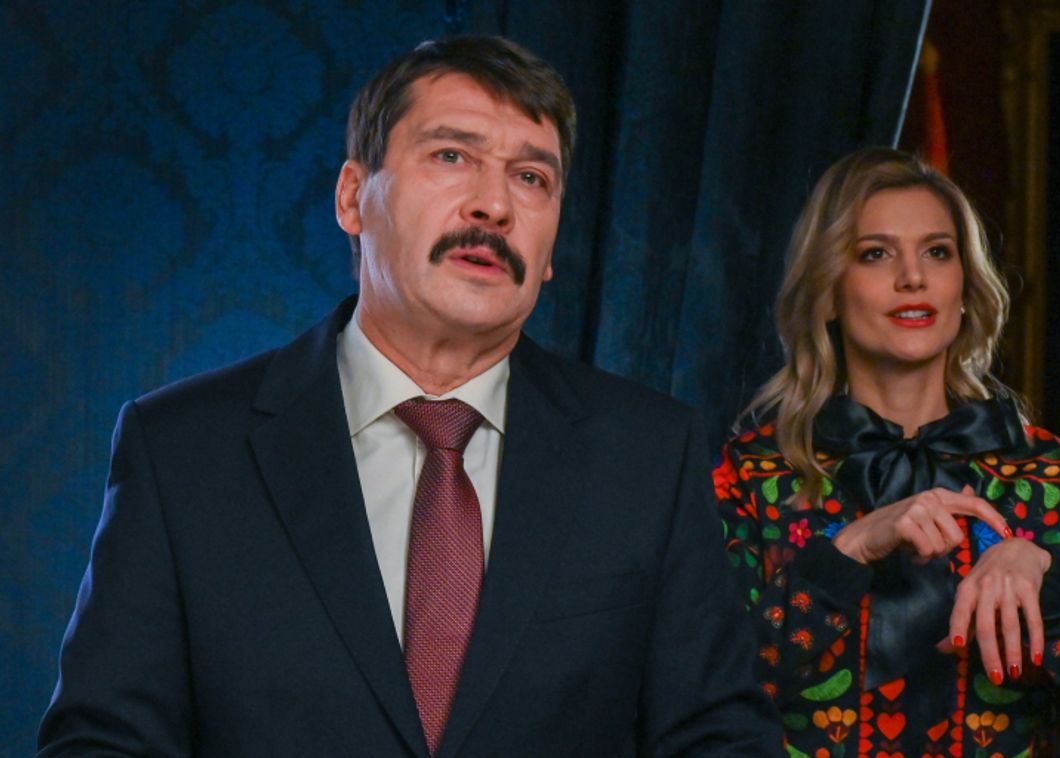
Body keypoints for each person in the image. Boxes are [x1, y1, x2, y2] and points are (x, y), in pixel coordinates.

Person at [39, 35, 779, 757]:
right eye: (451, 156)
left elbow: (719, 737)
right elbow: (102, 741)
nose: (494, 206)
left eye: (531, 178)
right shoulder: (181, 448)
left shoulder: (648, 454)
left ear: (552, 245)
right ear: (353, 198)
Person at [714, 148, 1060, 757]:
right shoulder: (753, 475)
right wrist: (848, 551)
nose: (912, 278)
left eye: (937, 252)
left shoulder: (1049, 476)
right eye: (875, 253)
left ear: (966, 288)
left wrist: (1047, 577)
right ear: (828, 291)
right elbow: (705, 703)